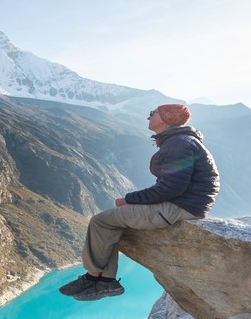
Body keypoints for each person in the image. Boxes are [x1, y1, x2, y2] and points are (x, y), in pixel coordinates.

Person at [59, 103, 220, 301]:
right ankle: (103, 281)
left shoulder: (178, 144)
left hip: (180, 206)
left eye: (153, 113)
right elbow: (173, 186)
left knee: (102, 221)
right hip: (186, 203)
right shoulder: (181, 141)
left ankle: (97, 279)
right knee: (113, 220)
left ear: (167, 117)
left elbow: (172, 188)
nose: (149, 117)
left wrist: (129, 199)